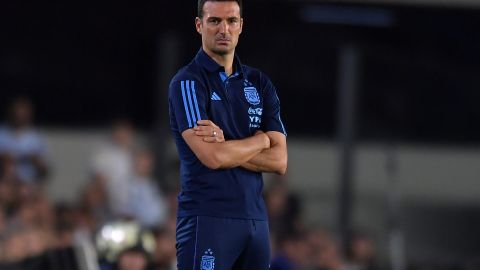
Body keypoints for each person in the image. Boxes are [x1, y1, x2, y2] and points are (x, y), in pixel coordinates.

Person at [168, 0, 287, 269]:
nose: (224, 29)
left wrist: (228, 147)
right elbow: (212, 156)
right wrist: (260, 140)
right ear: (199, 25)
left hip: (256, 222)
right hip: (208, 218)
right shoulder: (188, 82)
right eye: (214, 21)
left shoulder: (259, 83)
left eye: (231, 21)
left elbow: (279, 161)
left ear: (241, 26)